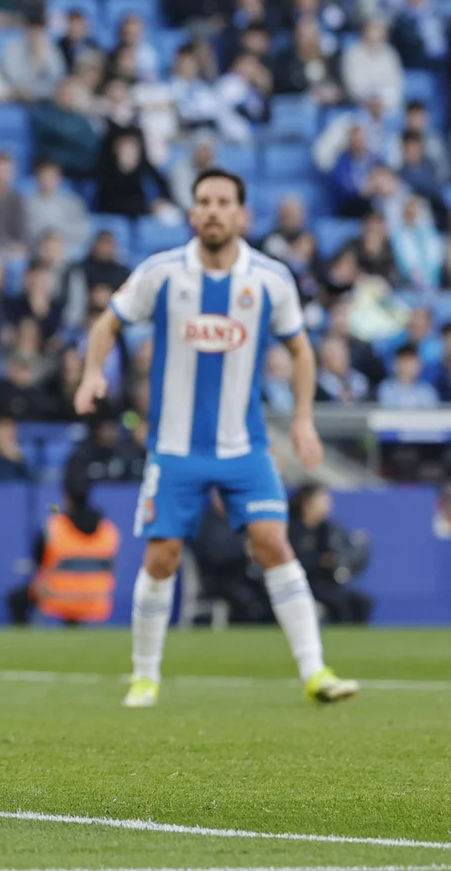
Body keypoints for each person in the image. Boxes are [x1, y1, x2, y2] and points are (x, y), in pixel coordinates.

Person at [76, 167, 358, 708]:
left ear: (241, 214)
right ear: (192, 212)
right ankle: (144, 676)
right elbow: (108, 322)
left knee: (274, 543)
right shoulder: (162, 273)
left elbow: (301, 350)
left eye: (223, 202)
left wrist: (302, 419)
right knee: (162, 557)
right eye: (203, 201)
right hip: (175, 449)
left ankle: (316, 671)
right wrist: (93, 373)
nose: (212, 210)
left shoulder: (269, 279)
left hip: (244, 447)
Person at [13, 477, 120, 626]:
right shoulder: (108, 529)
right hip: (97, 597)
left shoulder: (55, 526)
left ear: (67, 498)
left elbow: (38, 561)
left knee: (16, 598)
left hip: (58, 595)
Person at [287, 485, 373, 624]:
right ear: (307, 502)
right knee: (335, 602)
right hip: (304, 584)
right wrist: (320, 561)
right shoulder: (292, 529)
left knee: (361, 603)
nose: (327, 505)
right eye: (322, 500)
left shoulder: (330, 529)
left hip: (328, 583)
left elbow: (347, 553)